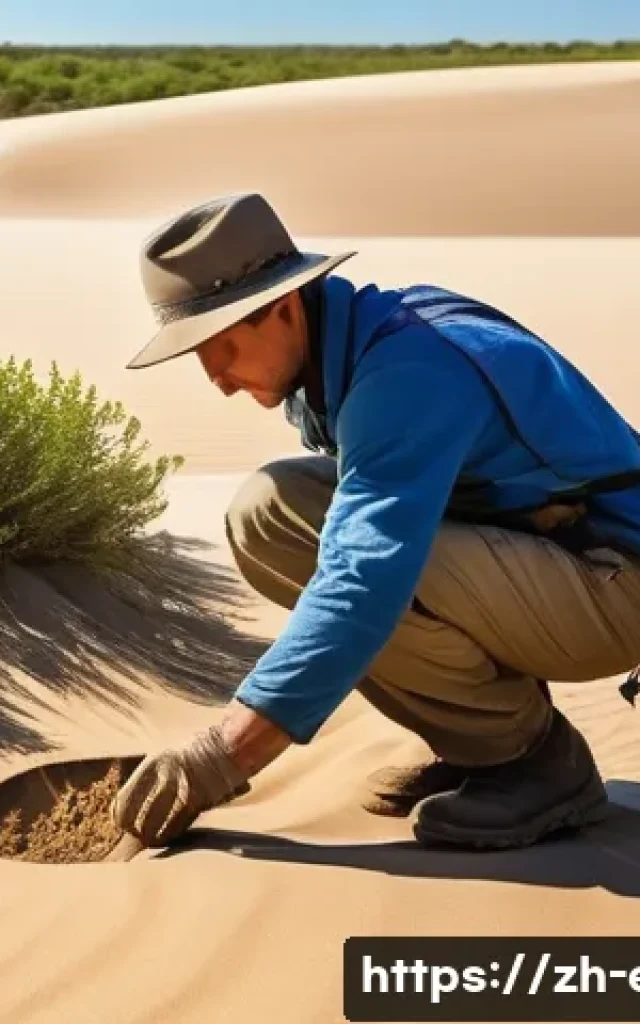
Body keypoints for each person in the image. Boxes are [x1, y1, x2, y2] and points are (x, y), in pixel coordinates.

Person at [111, 191, 640, 851]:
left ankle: (534, 764)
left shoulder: (405, 374)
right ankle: (482, 744)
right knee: (272, 511)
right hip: (556, 563)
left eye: (219, 345)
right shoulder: (354, 345)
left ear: (281, 308)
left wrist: (224, 755)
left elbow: (362, 582)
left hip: (614, 583)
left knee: (371, 566)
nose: (214, 376)